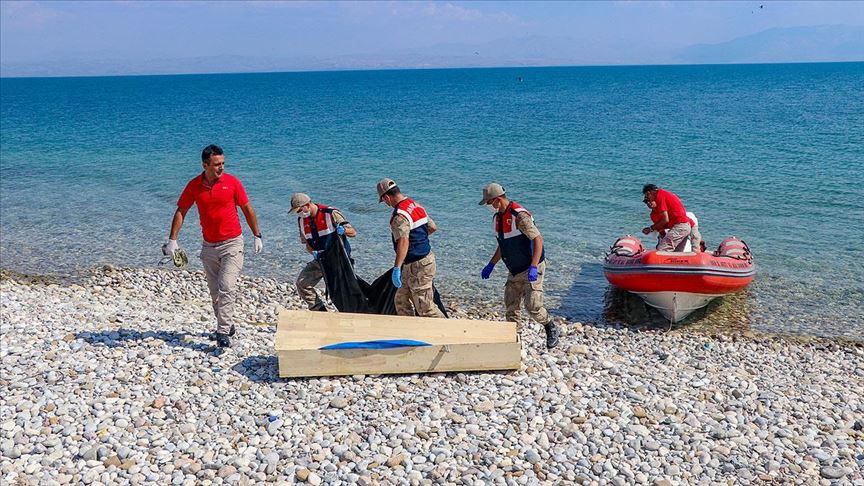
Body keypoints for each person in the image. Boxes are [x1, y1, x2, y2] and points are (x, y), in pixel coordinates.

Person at [163, 144, 262, 348]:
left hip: (233, 243)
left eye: (223, 163)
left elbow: (247, 209)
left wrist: (257, 235)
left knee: (226, 286)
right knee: (215, 291)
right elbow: (182, 210)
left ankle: (223, 331)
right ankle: (227, 323)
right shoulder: (194, 185)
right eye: (217, 164)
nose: (221, 168)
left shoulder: (232, 182)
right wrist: (173, 240)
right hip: (209, 246)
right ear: (205, 165)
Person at [478, 183, 559, 349]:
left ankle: (550, 326)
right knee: (511, 306)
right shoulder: (498, 219)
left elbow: (537, 239)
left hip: (531, 266)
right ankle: (515, 341)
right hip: (514, 269)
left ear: (498, 200)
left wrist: (534, 266)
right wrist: (491, 264)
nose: (488, 206)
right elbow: (503, 245)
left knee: (533, 306)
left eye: (488, 203)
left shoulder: (519, 216)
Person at [376, 177, 445, 318]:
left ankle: (448, 332)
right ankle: (408, 329)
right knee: (401, 299)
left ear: (387, 197)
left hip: (419, 264)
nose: (386, 204)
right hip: (419, 261)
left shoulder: (399, 216)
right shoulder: (414, 205)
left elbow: (403, 242)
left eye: (383, 201)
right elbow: (432, 227)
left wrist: (397, 267)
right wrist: (418, 241)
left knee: (425, 307)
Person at [288, 192, 357, 311]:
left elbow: (353, 232)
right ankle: (319, 311)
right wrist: (313, 252)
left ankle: (350, 313)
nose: (299, 214)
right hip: (320, 260)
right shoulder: (301, 221)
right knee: (302, 284)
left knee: (340, 293)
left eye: (299, 210)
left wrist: (343, 230)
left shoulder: (330, 214)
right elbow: (307, 245)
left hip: (339, 261)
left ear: (308, 205)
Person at [641, 184, 700, 252]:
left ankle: (697, 255)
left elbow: (665, 220)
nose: (649, 203)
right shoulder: (654, 214)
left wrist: (650, 229)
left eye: (648, 199)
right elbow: (662, 229)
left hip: (683, 224)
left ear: (649, 193)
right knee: (676, 252)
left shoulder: (660, 197)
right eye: (646, 202)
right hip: (679, 226)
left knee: (662, 249)